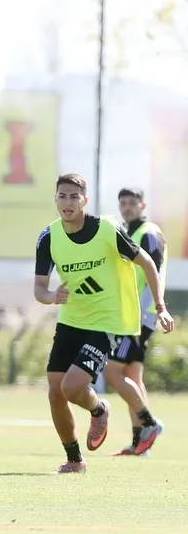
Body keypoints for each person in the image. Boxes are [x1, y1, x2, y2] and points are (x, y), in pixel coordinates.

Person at [34, 173, 174, 473]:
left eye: (74, 196)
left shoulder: (107, 229)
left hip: (107, 323)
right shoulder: (48, 237)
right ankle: (75, 460)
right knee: (55, 391)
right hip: (71, 321)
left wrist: (160, 307)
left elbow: (147, 262)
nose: (68, 202)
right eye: (62, 196)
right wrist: (51, 296)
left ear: (85, 200)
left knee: (74, 387)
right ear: (55, 199)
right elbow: (39, 289)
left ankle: (105, 412)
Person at [104, 187, 166, 456]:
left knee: (112, 371)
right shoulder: (129, 233)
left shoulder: (149, 233)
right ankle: (140, 443)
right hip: (132, 314)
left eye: (132, 203)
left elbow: (153, 270)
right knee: (132, 375)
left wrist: (149, 310)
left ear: (143, 205)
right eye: (123, 203)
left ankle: (150, 424)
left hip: (140, 315)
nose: (127, 207)